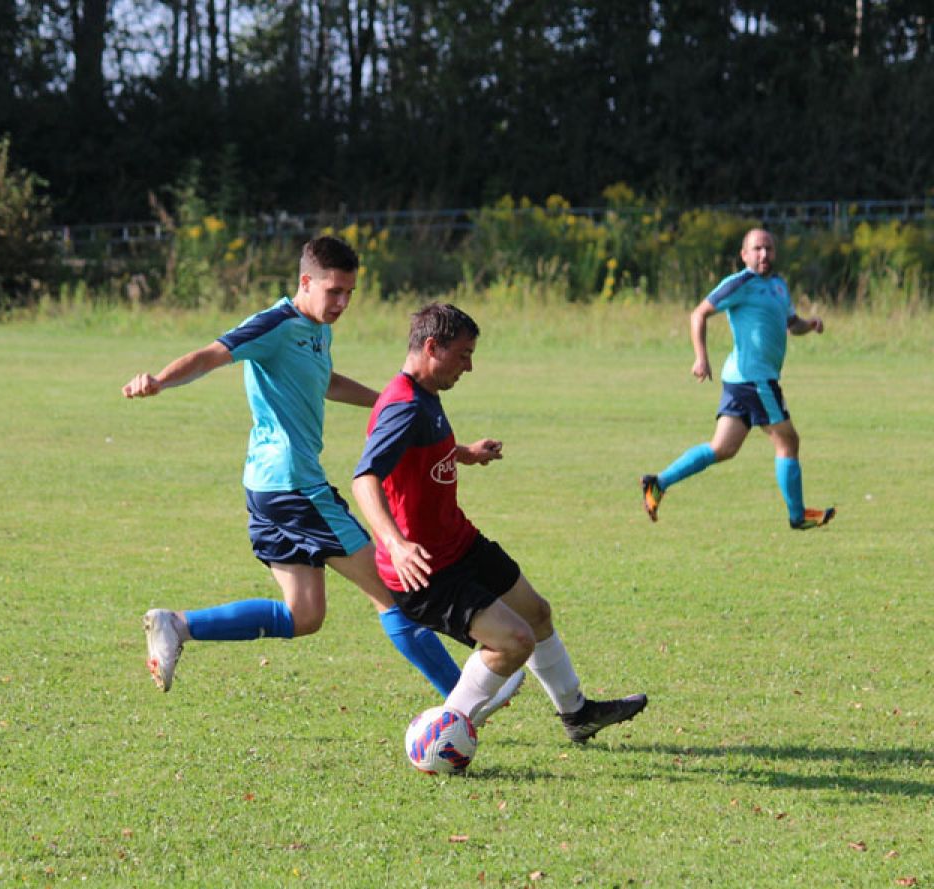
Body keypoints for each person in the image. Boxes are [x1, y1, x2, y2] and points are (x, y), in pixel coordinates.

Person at [124, 236, 523, 718]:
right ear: (305, 282)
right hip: (295, 487)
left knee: (304, 615)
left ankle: (178, 624)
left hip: (269, 489)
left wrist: (394, 404)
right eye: (333, 291)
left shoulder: (317, 330)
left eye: (349, 293)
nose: (342, 303)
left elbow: (327, 381)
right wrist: (160, 381)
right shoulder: (274, 324)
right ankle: (461, 701)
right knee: (394, 588)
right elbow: (213, 354)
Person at [351, 303, 647, 744]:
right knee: (514, 642)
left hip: (459, 543)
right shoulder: (403, 406)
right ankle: (441, 735)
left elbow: (419, 457)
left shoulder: (423, 395)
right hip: (425, 570)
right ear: (432, 347)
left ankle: (577, 715)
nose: (470, 366)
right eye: (464, 354)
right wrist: (394, 543)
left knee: (537, 612)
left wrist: (465, 453)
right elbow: (365, 479)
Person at [640, 228, 835, 530]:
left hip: (742, 380)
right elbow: (699, 314)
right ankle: (798, 516)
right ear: (744, 255)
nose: (764, 254)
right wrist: (701, 357)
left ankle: (658, 483)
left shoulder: (779, 286)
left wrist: (809, 325)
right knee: (788, 441)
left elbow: (790, 323)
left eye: (768, 248)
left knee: (722, 448)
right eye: (757, 249)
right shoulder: (740, 283)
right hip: (755, 380)